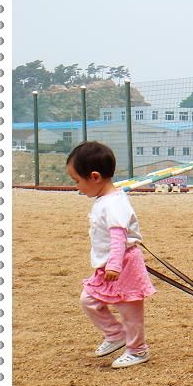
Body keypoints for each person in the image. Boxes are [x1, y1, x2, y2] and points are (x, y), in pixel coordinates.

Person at [66, 141, 156, 368]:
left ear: (95, 177)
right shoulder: (104, 200)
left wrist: (115, 265)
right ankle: (116, 335)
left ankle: (138, 350)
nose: (78, 188)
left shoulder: (114, 203)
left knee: (130, 310)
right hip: (109, 265)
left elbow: (118, 237)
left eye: (78, 181)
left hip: (122, 264)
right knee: (89, 300)